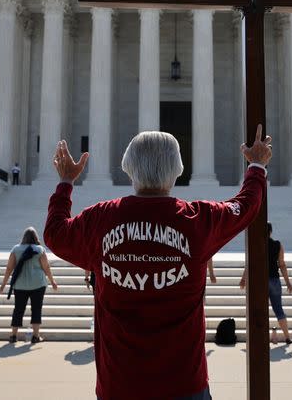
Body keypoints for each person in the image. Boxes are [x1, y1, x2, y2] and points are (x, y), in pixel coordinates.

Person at [45, 125, 271, 400]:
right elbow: (247, 205)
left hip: (120, 385)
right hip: (184, 384)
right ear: (178, 169)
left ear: (128, 167)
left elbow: (55, 233)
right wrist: (256, 166)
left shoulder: (100, 220)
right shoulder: (199, 220)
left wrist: (66, 183)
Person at [0, 227, 58, 343]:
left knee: (18, 309)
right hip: (38, 284)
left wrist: (4, 283)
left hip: (20, 285)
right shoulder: (40, 250)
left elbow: (9, 268)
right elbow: (46, 267)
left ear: (24, 237)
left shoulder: (16, 249)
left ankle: (13, 335)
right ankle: (36, 336)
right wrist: (52, 281)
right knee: (36, 309)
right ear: (36, 237)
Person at [239, 222, 292, 344]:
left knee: (257, 309)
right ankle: (287, 337)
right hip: (274, 280)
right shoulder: (277, 245)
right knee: (278, 309)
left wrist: (243, 279)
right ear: (271, 232)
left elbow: (249, 263)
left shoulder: (255, 244)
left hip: (259, 281)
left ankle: (256, 337)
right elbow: (282, 265)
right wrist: (288, 283)